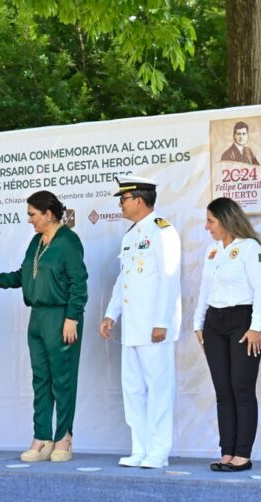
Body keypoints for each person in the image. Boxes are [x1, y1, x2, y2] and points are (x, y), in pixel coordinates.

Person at [0, 191, 88, 462]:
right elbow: (23, 275)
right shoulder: (36, 242)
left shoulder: (69, 241)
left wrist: (72, 317)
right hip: (38, 318)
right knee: (41, 379)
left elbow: (79, 282)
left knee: (62, 380)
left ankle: (64, 437)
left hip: (60, 317)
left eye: (32, 214)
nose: (29, 220)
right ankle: (42, 438)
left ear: (48, 214)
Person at [99, 176, 181, 469]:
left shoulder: (163, 231)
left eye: (124, 198)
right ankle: (140, 447)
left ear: (139, 200)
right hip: (132, 327)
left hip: (154, 328)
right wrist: (111, 314)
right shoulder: (132, 235)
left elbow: (169, 278)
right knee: (133, 390)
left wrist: (163, 321)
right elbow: (125, 279)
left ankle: (158, 451)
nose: (120, 204)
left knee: (159, 390)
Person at [193, 197, 261, 473]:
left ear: (226, 220)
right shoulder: (213, 251)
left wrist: (255, 327)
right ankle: (227, 451)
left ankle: (242, 454)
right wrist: (197, 323)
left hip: (242, 321)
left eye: (211, 221)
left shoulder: (249, 248)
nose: (207, 227)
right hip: (215, 322)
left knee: (242, 388)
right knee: (223, 390)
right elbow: (204, 289)